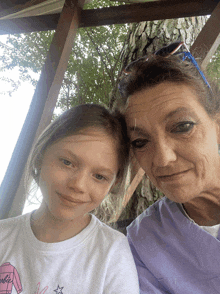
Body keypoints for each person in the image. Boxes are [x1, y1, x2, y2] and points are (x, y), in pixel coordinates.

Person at [0, 104, 139, 293]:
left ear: (113, 184)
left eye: (99, 176)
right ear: (41, 155)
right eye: (67, 162)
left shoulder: (112, 252)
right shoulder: (4, 236)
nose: (78, 185)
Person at [116, 41, 220, 293]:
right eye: (140, 142)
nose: (162, 159)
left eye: (182, 126)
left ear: (217, 127)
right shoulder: (143, 242)